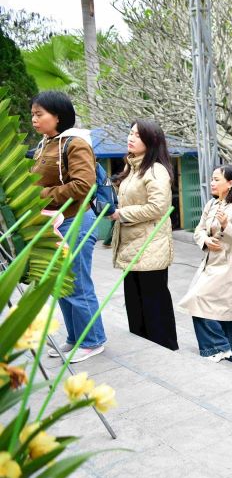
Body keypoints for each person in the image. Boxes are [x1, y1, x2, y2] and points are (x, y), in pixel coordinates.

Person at [30, 91, 107, 363]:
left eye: (39, 114)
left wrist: (40, 195)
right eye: (32, 114)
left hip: (75, 221)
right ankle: (76, 338)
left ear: (58, 116)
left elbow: (84, 185)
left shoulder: (75, 143)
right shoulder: (45, 144)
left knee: (76, 282)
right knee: (62, 283)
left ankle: (93, 340)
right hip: (54, 223)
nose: (33, 119)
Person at [110, 120, 178, 350]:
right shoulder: (131, 168)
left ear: (151, 142)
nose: (131, 138)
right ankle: (144, 349)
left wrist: (121, 214)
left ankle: (165, 351)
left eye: (138, 135)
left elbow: (158, 207)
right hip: (131, 245)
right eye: (130, 133)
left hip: (150, 246)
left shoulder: (155, 170)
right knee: (135, 305)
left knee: (154, 306)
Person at [178, 165, 232, 364]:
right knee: (224, 311)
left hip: (230, 267)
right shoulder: (211, 204)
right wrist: (205, 240)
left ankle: (218, 347)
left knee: (199, 300)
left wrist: (226, 226)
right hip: (212, 264)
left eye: (216, 179)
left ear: (230, 183)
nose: (212, 183)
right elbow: (199, 230)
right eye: (212, 179)